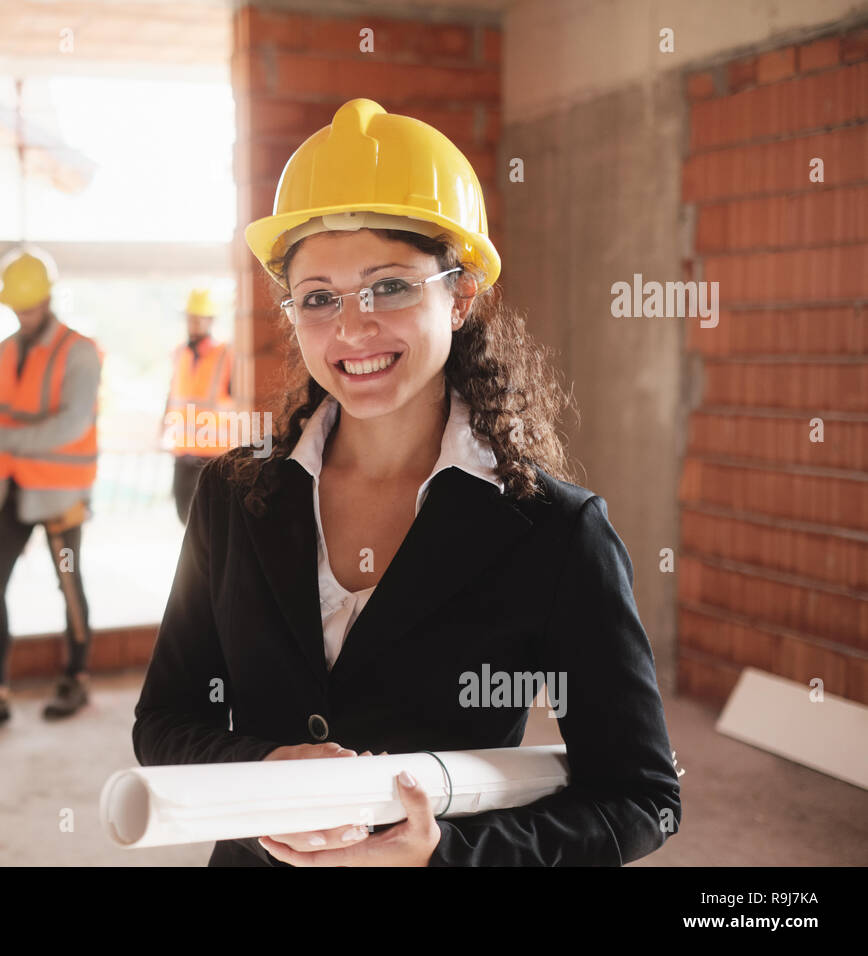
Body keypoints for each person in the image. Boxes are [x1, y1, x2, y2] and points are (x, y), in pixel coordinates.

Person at [132, 99, 681, 866]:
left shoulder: (554, 532)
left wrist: (442, 855)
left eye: (389, 286)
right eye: (318, 297)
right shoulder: (234, 497)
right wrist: (262, 773)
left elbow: (639, 799)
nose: (351, 329)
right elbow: (164, 719)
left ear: (459, 295)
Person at [0, 248, 102, 732]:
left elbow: (72, 424)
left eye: (28, 305)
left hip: (59, 495)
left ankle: (75, 678)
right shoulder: (6, 350)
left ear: (49, 299)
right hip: (8, 490)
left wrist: (4, 436)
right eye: (15, 305)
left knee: (68, 586)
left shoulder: (78, 351)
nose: (21, 313)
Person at [162, 288, 236, 523]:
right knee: (185, 519)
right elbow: (172, 395)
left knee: (209, 524)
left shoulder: (226, 354)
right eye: (189, 318)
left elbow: (238, 402)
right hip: (182, 453)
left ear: (211, 320)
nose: (192, 323)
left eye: (198, 318)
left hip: (213, 456)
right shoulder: (178, 353)